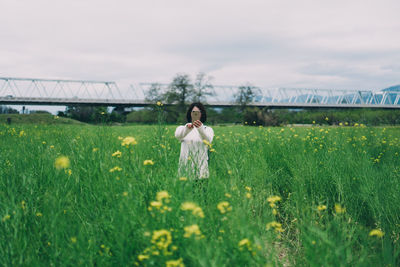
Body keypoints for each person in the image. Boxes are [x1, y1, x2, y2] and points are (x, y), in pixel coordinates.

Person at [175, 102, 214, 180]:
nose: (195, 114)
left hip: (201, 171)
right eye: (193, 112)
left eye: (198, 112)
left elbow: (208, 140)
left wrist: (200, 128)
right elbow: (178, 136)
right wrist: (187, 129)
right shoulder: (182, 128)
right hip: (185, 172)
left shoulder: (208, 129)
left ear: (201, 114)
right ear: (190, 114)